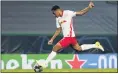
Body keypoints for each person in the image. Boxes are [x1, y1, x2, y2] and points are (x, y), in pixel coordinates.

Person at [36, 1, 104, 68]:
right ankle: (95, 45)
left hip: (69, 37)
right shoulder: (57, 19)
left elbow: (81, 13)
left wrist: (89, 7)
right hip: (70, 38)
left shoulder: (68, 13)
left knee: (55, 48)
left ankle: (45, 63)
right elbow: (58, 30)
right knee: (79, 48)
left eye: (54, 13)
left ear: (57, 10)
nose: (54, 15)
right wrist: (52, 39)